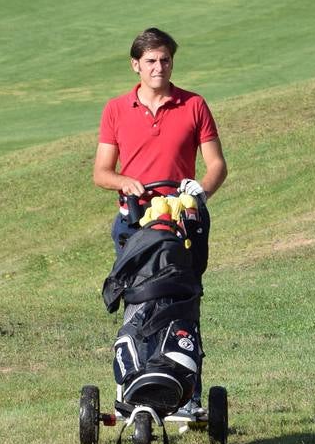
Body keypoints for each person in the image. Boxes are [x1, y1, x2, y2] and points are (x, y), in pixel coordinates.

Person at [93, 27, 228, 416]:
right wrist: (125, 181)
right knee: (138, 305)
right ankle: (132, 392)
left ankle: (187, 399)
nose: (158, 67)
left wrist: (198, 191)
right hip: (134, 226)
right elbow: (102, 172)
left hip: (181, 224)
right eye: (150, 61)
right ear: (136, 64)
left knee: (183, 305)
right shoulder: (116, 109)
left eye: (165, 60)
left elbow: (216, 165)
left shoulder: (194, 105)